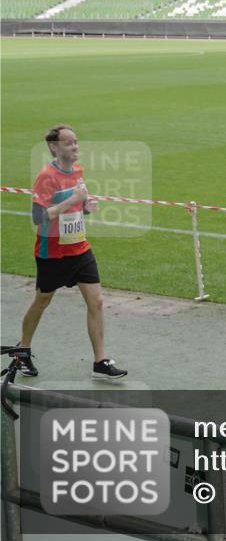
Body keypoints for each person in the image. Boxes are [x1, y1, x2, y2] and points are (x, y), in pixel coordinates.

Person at [15, 125, 127, 380]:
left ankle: (100, 361)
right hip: (52, 252)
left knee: (96, 302)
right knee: (42, 301)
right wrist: (70, 200)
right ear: (55, 147)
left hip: (79, 248)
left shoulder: (77, 170)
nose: (75, 147)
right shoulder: (46, 176)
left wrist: (86, 206)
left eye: (76, 142)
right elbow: (37, 217)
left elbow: (76, 205)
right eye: (69, 143)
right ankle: (22, 350)